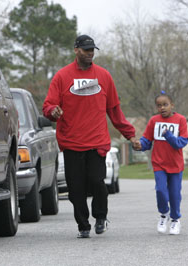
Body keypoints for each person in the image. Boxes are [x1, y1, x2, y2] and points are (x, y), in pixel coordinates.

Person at [43, 34, 138, 238]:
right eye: (86, 50)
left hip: (97, 141)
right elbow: (48, 105)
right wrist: (53, 111)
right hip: (71, 142)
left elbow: (114, 111)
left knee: (97, 181)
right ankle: (83, 225)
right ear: (76, 50)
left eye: (92, 50)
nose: (90, 53)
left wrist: (130, 135)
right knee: (76, 189)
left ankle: (100, 216)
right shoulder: (62, 76)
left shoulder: (104, 76)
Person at [134, 91, 188, 235]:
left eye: (165, 105)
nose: (162, 108)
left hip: (175, 164)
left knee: (175, 194)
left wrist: (168, 135)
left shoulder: (180, 120)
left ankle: (175, 219)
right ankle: (164, 214)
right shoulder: (154, 121)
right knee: (160, 190)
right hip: (159, 163)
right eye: (159, 106)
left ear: (172, 105)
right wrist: (140, 144)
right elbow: (147, 139)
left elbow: (181, 142)